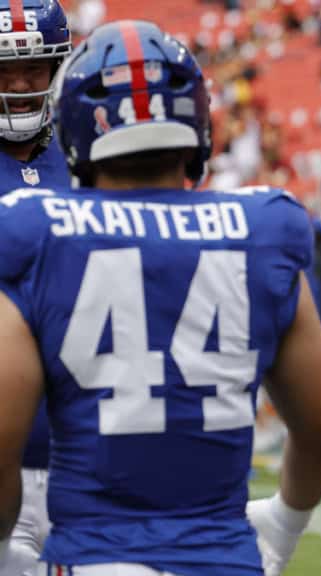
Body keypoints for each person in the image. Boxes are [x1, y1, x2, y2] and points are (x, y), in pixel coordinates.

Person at [0, 20, 321, 576]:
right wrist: (284, 524)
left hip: (93, 554)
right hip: (221, 556)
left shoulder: (34, 230)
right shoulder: (262, 227)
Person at [0, 1, 72, 574]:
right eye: (5, 70)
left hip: (83, 456)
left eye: (34, 68)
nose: (21, 84)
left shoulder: (85, 156)